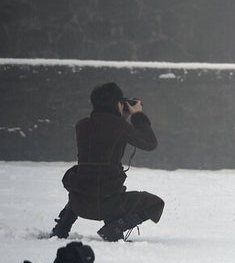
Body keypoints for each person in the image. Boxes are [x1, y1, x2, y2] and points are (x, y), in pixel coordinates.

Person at [48, 82, 165, 241]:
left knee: (85, 181)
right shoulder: (120, 127)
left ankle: (61, 228)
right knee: (156, 204)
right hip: (109, 205)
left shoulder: (82, 125)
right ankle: (114, 228)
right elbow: (150, 143)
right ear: (119, 103)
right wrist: (137, 114)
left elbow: (104, 137)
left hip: (79, 204)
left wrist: (121, 117)